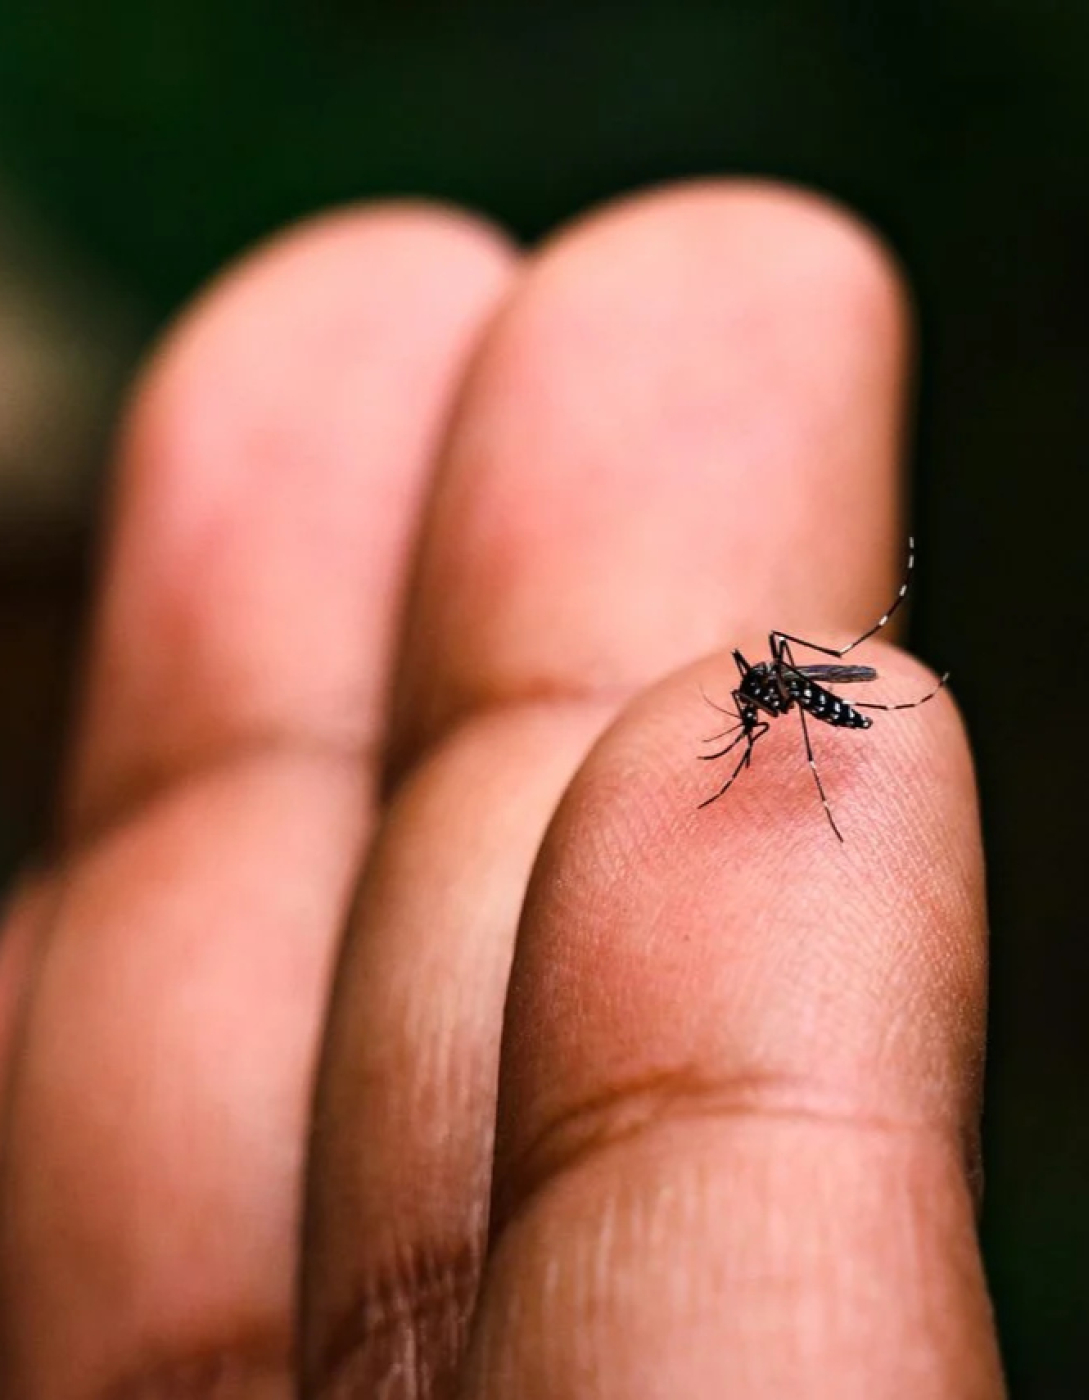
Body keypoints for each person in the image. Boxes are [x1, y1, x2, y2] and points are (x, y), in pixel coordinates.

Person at [0, 179, 1001, 1397]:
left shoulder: (786, 701)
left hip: (829, 714)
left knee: (802, 710)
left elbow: (781, 701)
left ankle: (873, 698)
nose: (755, 703)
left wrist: (816, 728)